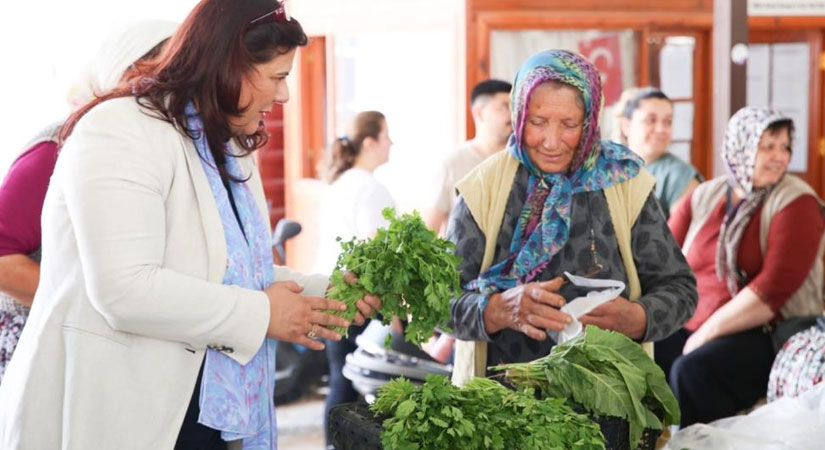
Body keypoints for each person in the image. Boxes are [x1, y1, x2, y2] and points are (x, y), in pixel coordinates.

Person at [0, 1, 381, 449]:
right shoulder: (118, 129)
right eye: (278, 77)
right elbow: (125, 290)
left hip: (205, 404)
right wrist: (265, 314)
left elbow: (229, 270)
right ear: (227, 66)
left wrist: (324, 293)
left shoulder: (226, 143)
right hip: (130, 406)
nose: (284, 96)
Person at [446, 49, 697, 385]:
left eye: (568, 125)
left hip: (608, 397)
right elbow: (438, 302)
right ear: (519, 116)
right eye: (537, 122)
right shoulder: (484, 188)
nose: (551, 142)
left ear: (591, 121)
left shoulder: (624, 182)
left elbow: (681, 289)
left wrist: (638, 318)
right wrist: (494, 310)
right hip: (501, 404)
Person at [0, 19, 178, 384]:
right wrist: (92, 309)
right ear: (128, 73)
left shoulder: (156, 148)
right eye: (172, 70)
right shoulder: (58, 149)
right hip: (47, 351)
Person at [662, 106, 825, 427]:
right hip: (694, 318)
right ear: (741, 145)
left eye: (785, 146)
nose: (779, 156)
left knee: (692, 370)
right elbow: (661, 258)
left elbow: (771, 292)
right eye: (768, 145)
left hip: (766, 332)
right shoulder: (707, 194)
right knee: (635, 352)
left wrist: (705, 333)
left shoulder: (796, 201)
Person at [312, 110, 394, 448]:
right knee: (353, 383)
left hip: (331, 290)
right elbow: (376, 251)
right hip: (358, 297)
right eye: (388, 136)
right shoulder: (370, 189)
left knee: (340, 378)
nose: (392, 143)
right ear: (371, 142)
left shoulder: (341, 183)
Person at [425, 79, 512, 234]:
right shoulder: (452, 163)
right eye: (504, 107)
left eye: (515, 107)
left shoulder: (520, 162)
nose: (512, 114)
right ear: (479, 112)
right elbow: (429, 231)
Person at [613, 87, 703, 219]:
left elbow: (685, 236)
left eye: (668, 122)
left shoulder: (679, 176)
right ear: (626, 126)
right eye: (651, 120)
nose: (661, 129)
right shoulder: (610, 166)